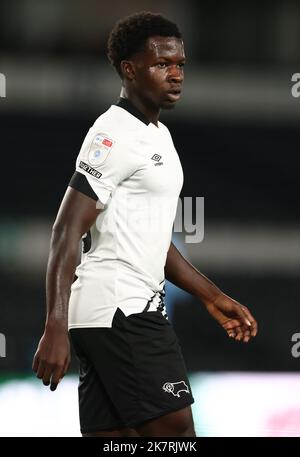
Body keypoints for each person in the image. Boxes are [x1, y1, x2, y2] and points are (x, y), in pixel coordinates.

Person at [32, 11, 258, 437]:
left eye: (180, 65)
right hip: (123, 312)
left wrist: (211, 297)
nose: (175, 74)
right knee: (176, 437)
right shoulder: (112, 135)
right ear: (129, 69)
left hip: (114, 314)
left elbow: (152, 238)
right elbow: (66, 229)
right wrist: (54, 327)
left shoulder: (157, 134)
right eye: (161, 64)